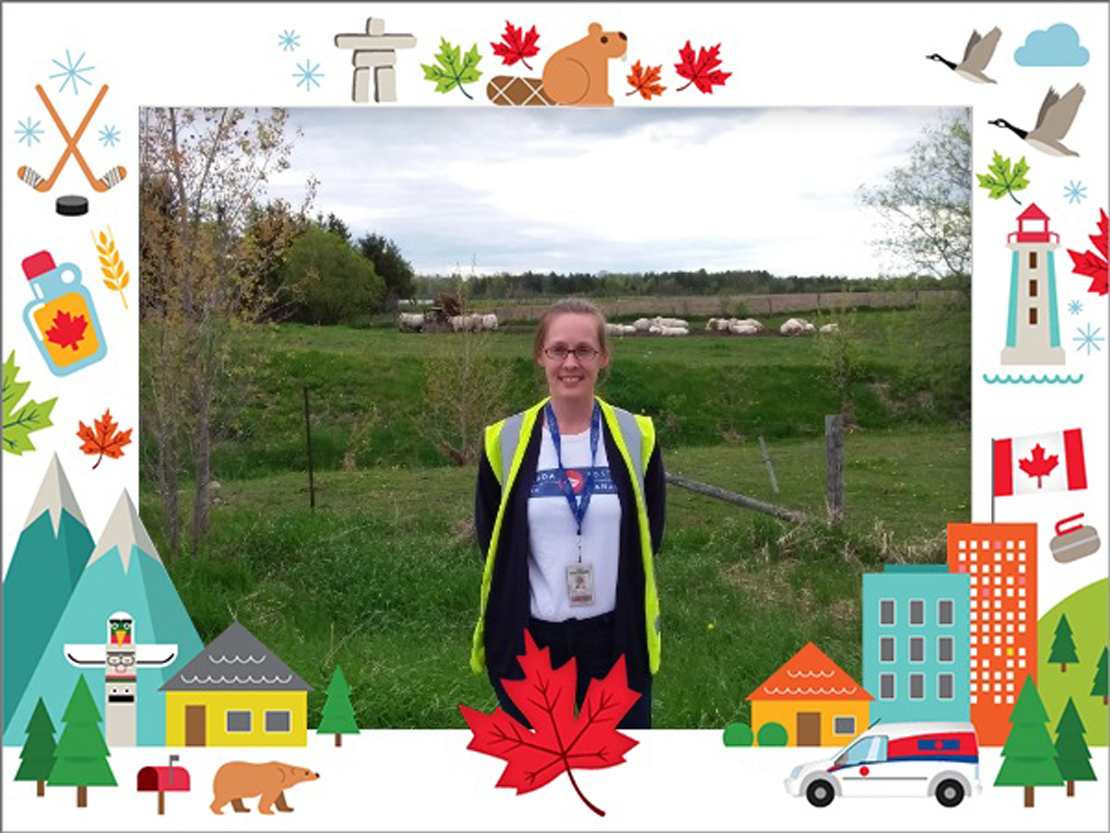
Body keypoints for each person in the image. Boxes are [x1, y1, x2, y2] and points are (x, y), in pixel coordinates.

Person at [471, 298, 665, 728]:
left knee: (619, 773)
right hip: (534, 642)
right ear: (541, 355)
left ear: (603, 358)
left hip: (614, 640)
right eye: (558, 349)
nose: (570, 363)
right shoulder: (504, 439)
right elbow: (493, 539)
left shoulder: (637, 435)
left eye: (584, 350)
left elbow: (651, 533)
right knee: (540, 774)